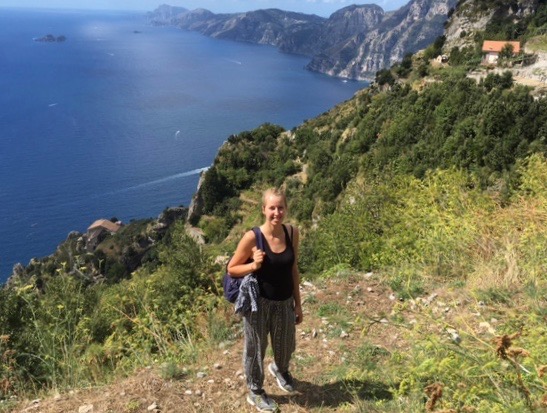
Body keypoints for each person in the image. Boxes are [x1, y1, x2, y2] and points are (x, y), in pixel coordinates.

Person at [227, 188, 303, 412]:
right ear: (263, 209)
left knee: (286, 344)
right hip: (258, 303)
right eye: (272, 208)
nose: (277, 212)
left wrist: (298, 303)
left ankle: (281, 370)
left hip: (284, 301)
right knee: (255, 348)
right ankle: (255, 390)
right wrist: (253, 264)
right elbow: (232, 268)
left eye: (280, 207)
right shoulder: (253, 237)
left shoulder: (292, 233)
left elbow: (294, 268)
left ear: (286, 209)